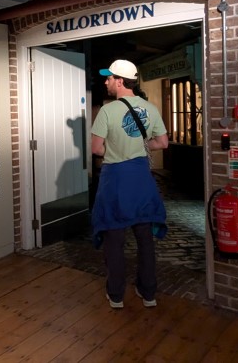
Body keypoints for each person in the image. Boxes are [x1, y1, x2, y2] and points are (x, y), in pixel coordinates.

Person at [90, 59, 169, 309]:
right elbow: (162, 142)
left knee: (115, 239)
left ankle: (116, 295)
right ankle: (148, 293)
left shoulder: (107, 111)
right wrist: (140, 147)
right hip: (141, 179)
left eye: (109, 77)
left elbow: (95, 149)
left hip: (115, 179)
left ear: (120, 81)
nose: (106, 81)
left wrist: (115, 149)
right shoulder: (150, 108)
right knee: (144, 238)